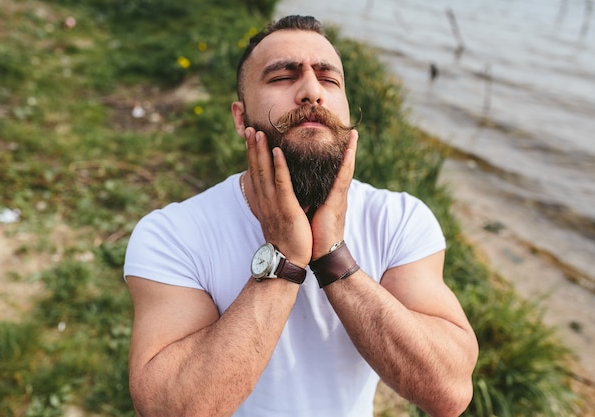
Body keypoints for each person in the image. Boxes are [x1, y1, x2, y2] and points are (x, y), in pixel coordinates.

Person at [124, 15, 478, 417]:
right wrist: (284, 259)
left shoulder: (399, 219)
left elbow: (449, 390)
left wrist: (332, 257)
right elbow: (170, 408)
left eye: (329, 79)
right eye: (281, 77)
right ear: (240, 118)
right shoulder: (172, 233)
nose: (311, 91)